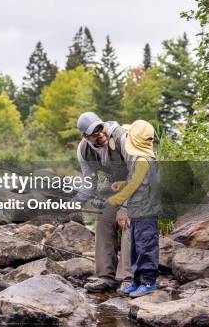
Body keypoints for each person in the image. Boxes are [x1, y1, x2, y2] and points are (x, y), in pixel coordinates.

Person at [73, 112, 132, 293]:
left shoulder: (123, 138)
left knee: (129, 221)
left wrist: (125, 208)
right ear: (85, 136)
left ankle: (129, 277)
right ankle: (106, 277)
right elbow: (89, 184)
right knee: (103, 220)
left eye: (101, 127)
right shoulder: (83, 150)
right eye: (95, 132)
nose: (101, 133)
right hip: (118, 189)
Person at [106, 120, 160, 298]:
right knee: (135, 248)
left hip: (146, 213)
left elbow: (134, 186)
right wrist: (121, 183)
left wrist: (116, 199)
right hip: (137, 213)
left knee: (146, 247)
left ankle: (148, 282)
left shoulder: (144, 161)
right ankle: (136, 280)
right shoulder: (139, 160)